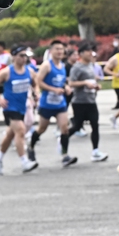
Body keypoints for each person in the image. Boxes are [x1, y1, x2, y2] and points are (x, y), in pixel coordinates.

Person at [0, 45, 37, 174]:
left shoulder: (29, 71)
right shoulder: (7, 72)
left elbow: (35, 83)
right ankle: (24, 162)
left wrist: (36, 94)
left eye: (26, 56)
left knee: (11, 134)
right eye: (21, 55)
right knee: (21, 131)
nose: (24, 58)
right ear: (14, 57)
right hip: (10, 107)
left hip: (21, 107)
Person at [29, 39, 76, 168]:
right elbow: (39, 81)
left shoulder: (63, 66)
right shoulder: (47, 65)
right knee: (42, 129)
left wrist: (66, 87)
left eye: (61, 49)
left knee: (65, 128)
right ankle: (31, 147)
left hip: (60, 103)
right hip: (47, 103)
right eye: (57, 49)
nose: (60, 51)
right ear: (51, 51)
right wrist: (53, 89)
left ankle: (65, 156)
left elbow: (62, 81)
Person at [67, 42, 107, 162]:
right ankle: (63, 138)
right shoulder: (77, 67)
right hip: (79, 101)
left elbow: (91, 80)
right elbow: (71, 83)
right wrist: (84, 83)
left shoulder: (91, 65)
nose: (91, 53)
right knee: (77, 126)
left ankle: (95, 152)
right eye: (88, 51)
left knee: (95, 125)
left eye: (92, 51)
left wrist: (95, 86)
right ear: (81, 53)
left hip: (91, 100)